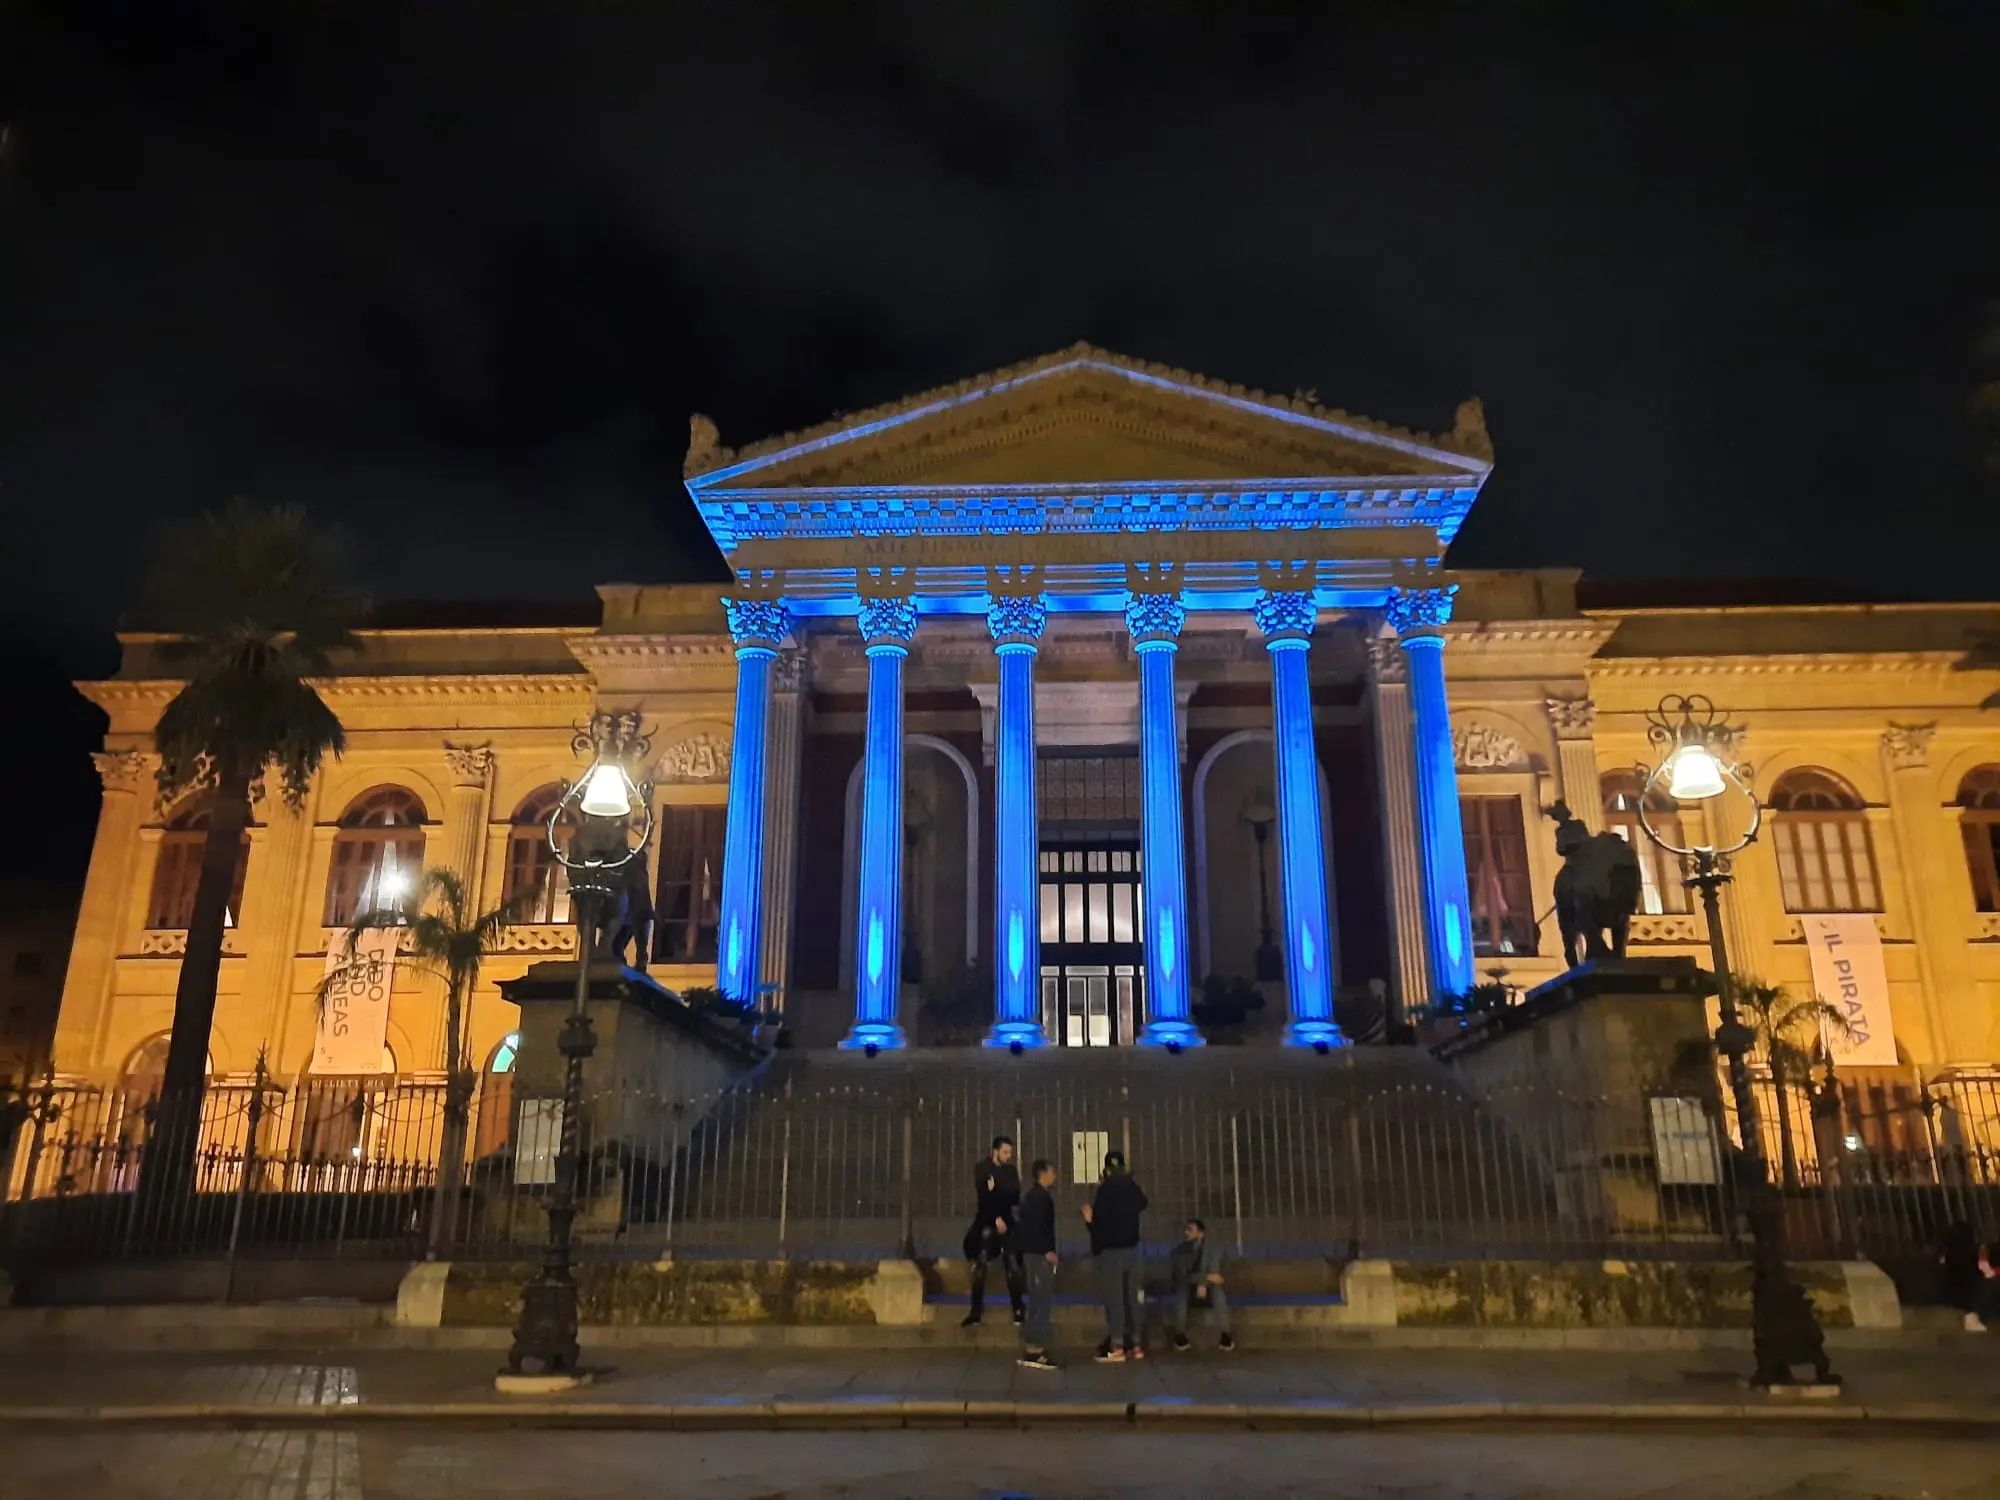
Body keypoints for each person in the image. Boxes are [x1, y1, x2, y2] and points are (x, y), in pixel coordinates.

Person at [1081, 1148, 1148, 1362]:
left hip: (1111, 1252)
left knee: (1115, 1300)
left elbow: (1100, 1224)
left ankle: (1117, 1345)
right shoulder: (1131, 1187)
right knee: (1132, 1299)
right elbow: (1143, 1203)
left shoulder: (1106, 1190)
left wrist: (1089, 1220)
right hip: (1132, 1251)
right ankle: (1136, 1345)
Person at [962, 1134, 1024, 1327]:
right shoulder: (982, 1168)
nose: (1008, 1156)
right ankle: (976, 1311)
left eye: (1010, 1152)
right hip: (987, 1222)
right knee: (980, 1266)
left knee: (1013, 1265)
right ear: (995, 1151)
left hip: (1006, 1221)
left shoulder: (1010, 1171)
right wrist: (998, 1201)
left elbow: (1014, 1196)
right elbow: (984, 1196)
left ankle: (1018, 1309)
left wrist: (996, 1189)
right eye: (1005, 1152)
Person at [1015, 1158, 1060, 1371]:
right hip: (1039, 1256)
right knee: (1041, 1300)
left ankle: (1032, 1346)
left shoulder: (1031, 1197)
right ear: (1043, 1174)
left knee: (1036, 1299)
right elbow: (1040, 1228)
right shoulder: (1042, 1199)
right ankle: (1035, 1350)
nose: (1055, 1176)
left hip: (1032, 1254)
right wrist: (1048, 1251)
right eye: (1052, 1172)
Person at [1165, 1217, 1234, 1352]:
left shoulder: (1214, 1250)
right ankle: (1180, 1335)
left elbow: (1219, 1276)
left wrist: (1204, 1282)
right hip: (1189, 1289)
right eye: (1186, 1229)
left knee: (1218, 1293)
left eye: (1190, 1230)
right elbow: (1182, 1277)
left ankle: (1226, 1335)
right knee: (1181, 1295)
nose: (1186, 1233)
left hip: (1209, 1288)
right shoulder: (1178, 1252)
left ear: (1200, 1233)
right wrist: (1205, 1278)